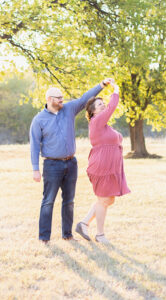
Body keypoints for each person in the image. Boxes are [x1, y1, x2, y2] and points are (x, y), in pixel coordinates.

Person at [30, 79, 112, 243]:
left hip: (71, 163)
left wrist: (101, 85)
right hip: (52, 165)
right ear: (49, 99)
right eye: (58, 98)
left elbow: (84, 99)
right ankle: (44, 237)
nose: (61, 100)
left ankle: (67, 235)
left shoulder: (68, 109)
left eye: (62, 97)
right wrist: (35, 168)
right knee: (48, 201)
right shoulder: (39, 120)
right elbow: (34, 144)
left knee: (69, 201)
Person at [75, 79, 131, 244]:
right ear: (92, 112)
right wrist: (116, 89)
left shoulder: (105, 125)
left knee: (108, 199)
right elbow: (113, 106)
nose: (103, 105)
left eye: (103, 103)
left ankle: (83, 223)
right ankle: (99, 235)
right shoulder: (97, 121)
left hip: (110, 167)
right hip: (102, 166)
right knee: (104, 200)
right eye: (99, 104)